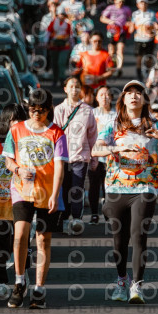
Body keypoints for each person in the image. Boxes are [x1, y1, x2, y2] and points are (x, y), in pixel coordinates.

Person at [92, 80, 158, 304]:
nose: (134, 96)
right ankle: (121, 281)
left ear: (145, 99)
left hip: (145, 187)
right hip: (116, 187)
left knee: (138, 235)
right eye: (129, 93)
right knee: (119, 240)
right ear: (123, 99)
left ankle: (137, 286)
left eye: (138, 92)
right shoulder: (113, 123)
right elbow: (95, 149)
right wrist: (117, 148)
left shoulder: (153, 123)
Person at [2, 88, 67, 309]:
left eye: (41, 110)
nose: (36, 114)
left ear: (49, 110)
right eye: (32, 110)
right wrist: (18, 170)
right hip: (22, 189)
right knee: (20, 234)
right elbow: (8, 160)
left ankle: (39, 289)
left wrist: (55, 194)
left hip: (47, 192)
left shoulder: (57, 133)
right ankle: (19, 281)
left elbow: (60, 167)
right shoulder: (16, 130)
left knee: (43, 239)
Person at [0, 104, 28, 301]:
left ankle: (22, 279)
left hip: (21, 202)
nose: (15, 124)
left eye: (19, 119)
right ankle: (0, 284)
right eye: (12, 120)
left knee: (20, 243)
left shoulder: (27, 145)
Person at [54, 77, 98, 234]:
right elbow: (54, 135)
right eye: (71, 86)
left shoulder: (87, 110)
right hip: (62, 157)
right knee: (64, 187)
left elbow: (92, 135)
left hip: (80, 155)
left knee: (77, 187)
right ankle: (64, 219)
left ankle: (77, 219)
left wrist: (94, 157)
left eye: (77, 86)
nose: (74, 89)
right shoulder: (59, 110)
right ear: (65, 89)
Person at [88, 85, 116, 224]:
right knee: (94, 185)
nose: (105, 97)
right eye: (101, 95)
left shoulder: (116, 115)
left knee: (108, 186)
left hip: (111, 156)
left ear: (111, 97)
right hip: (95, 155)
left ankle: (107, 211)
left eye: (107, 94)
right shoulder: (92, 114)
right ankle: (94, 213)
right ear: (96, 98)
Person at [74, 30, 115, 104]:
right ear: (90, 40)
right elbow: (77, 70)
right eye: (95, 41)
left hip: (99, 89)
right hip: (86, 89)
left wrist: (98, 78)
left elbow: (111, 71)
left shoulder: (106, 55)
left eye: (99, 41)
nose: (97, 43)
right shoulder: (83, 54)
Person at [100, 0, 133, 77]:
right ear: (115, 1)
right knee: (111, 51)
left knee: (120, 49)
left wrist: (129, 25)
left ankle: (119, 68)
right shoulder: (110, 8)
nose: (121, 3)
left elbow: (130, 20)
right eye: (119, 1)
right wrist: (110, 21)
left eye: (122, 1)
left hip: (122, 32)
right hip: (112, 31)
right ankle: (111, 65)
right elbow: (102, 18)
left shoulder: (126, 9)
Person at [128, 0, 158, 80]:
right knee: (139, 58)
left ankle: (147, 72)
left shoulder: (152, 13)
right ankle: (139, 74)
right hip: (139, 39)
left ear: (147, 4)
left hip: (149, 39)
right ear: (137, 5)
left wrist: (153, 28)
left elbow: (156, 25)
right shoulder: (135, 14)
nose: (143, 4)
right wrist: (130, 27)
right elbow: (132, 26)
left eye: (145, 3)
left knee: (149, 58)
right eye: (141, 3)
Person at [47, 6, 73, 87]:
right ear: (58, 15)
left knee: (61, 62)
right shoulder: (53, 22)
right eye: (60, 14)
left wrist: (72, 45)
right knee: (54, 63)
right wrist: (46, 42)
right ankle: (55, 79)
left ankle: (62, 78)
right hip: (54, 45)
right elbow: (48, 32)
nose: (62, 16)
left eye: (63, 15)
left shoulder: (68, 24)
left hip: (64, 46)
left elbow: (71, 35)